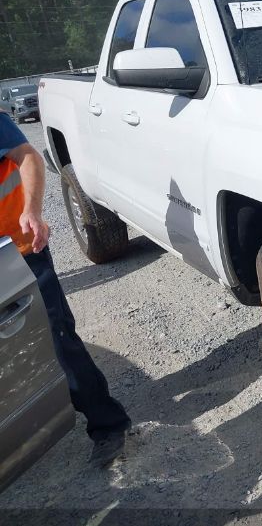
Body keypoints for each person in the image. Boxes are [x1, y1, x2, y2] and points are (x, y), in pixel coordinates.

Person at [0, 112, 131, 467]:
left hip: (16, 256)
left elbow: (28, 156)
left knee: (57, 341)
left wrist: (33, 210)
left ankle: (108, 425)